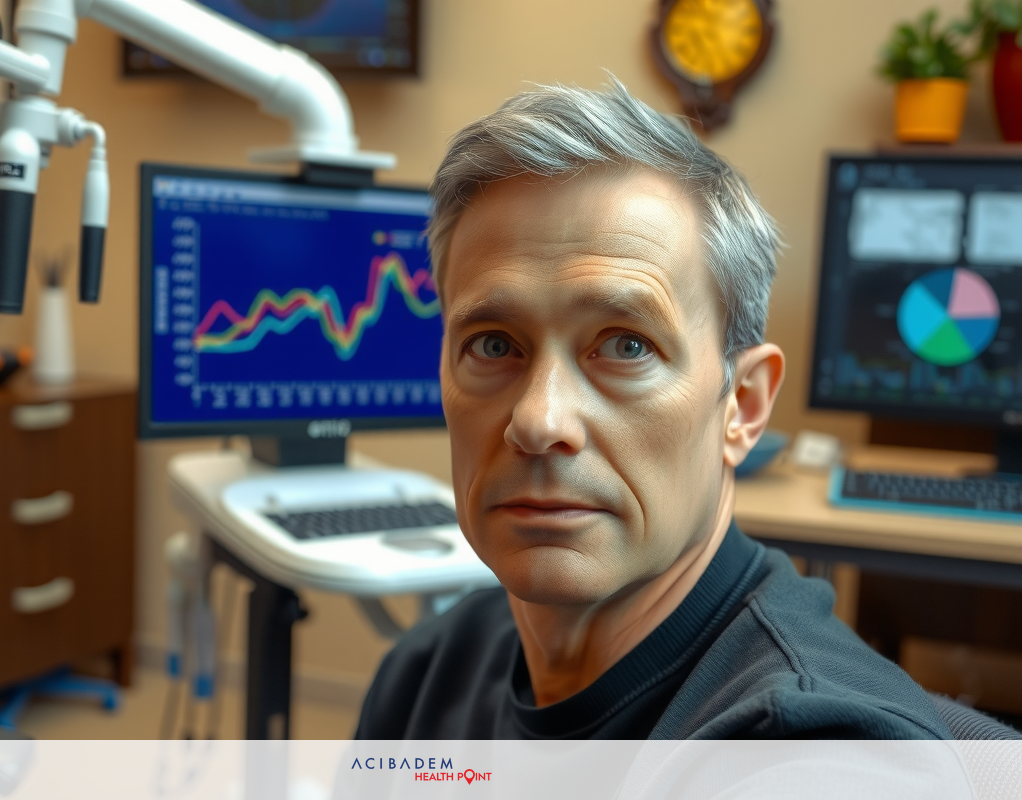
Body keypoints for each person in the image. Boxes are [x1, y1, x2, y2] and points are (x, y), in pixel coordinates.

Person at [353, 79, 951, 739]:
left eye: (626, 346)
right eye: (494, 345)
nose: (540, 421)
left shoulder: (809, 745)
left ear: (743, 406)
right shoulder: (426, 674)